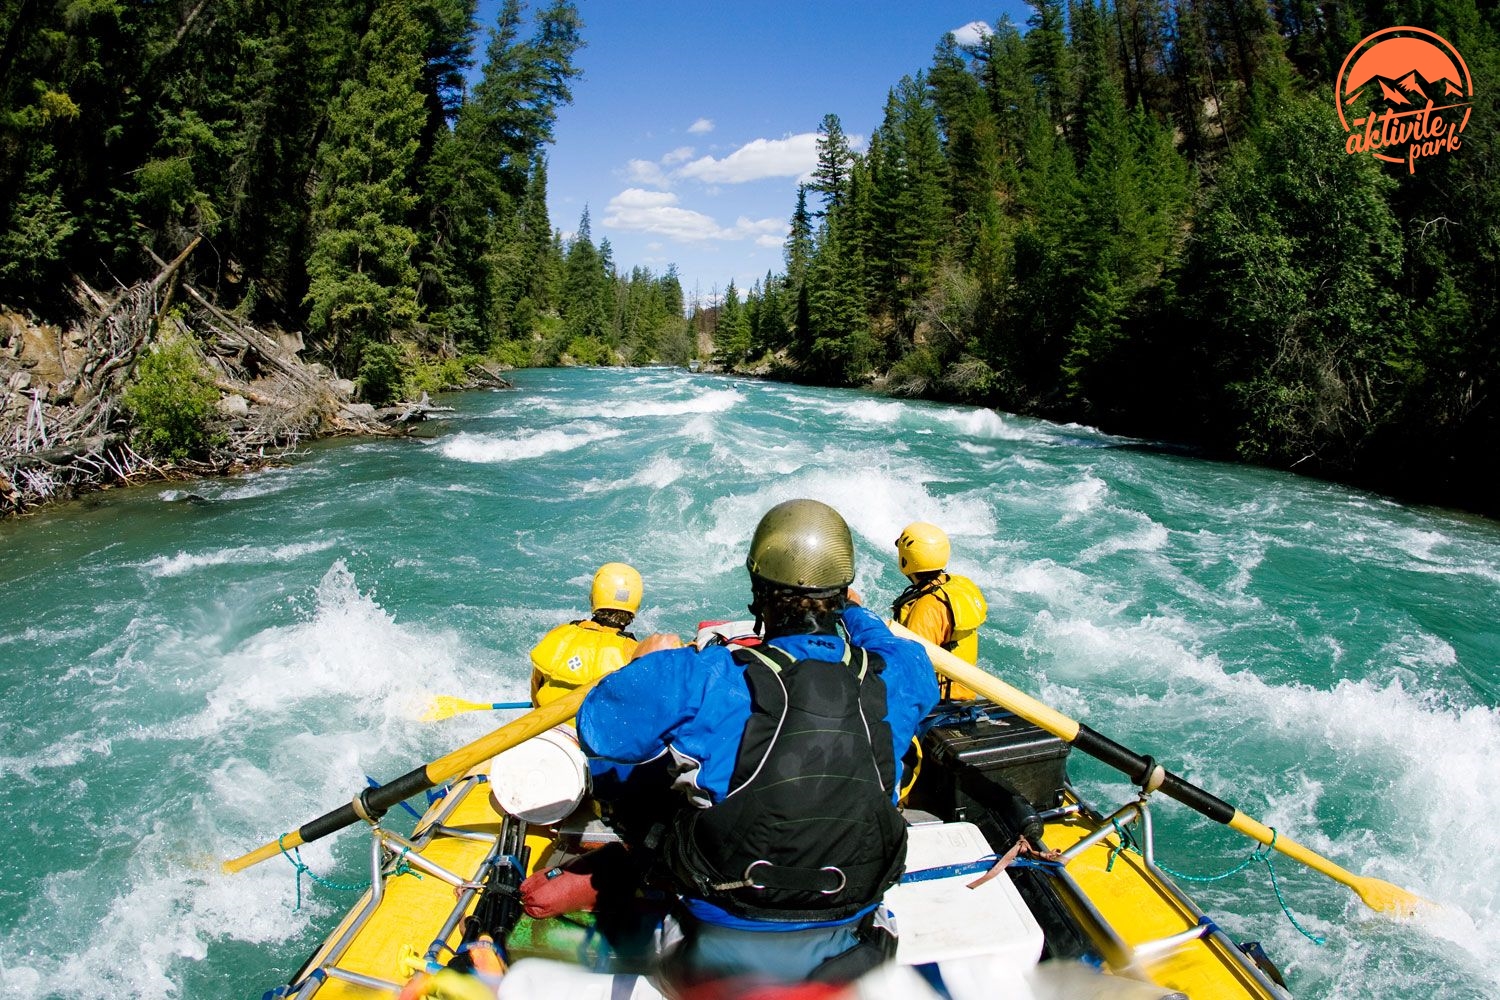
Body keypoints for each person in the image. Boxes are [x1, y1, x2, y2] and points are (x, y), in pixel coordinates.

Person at [573, 499, 940, 986]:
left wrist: (642, 662)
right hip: (851, 918)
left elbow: (596, 729)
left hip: (716, 923)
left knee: (616, 771)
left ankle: (654, 900)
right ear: (841, 592)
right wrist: (853, 610)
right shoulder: (906, 673)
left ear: (757, 592)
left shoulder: (699, 676)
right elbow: (891, 644)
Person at [891, 522, 988, 700]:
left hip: (938, 701)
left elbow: (912, 664)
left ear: (906, 560)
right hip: (964, 694)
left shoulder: (927, 607)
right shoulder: (958, 586)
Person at [529, 562, 643, 709]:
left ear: (594, 597)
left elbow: (535, 688)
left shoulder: (559, 634)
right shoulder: (634, 652)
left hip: (543, 726)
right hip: (591, 730)